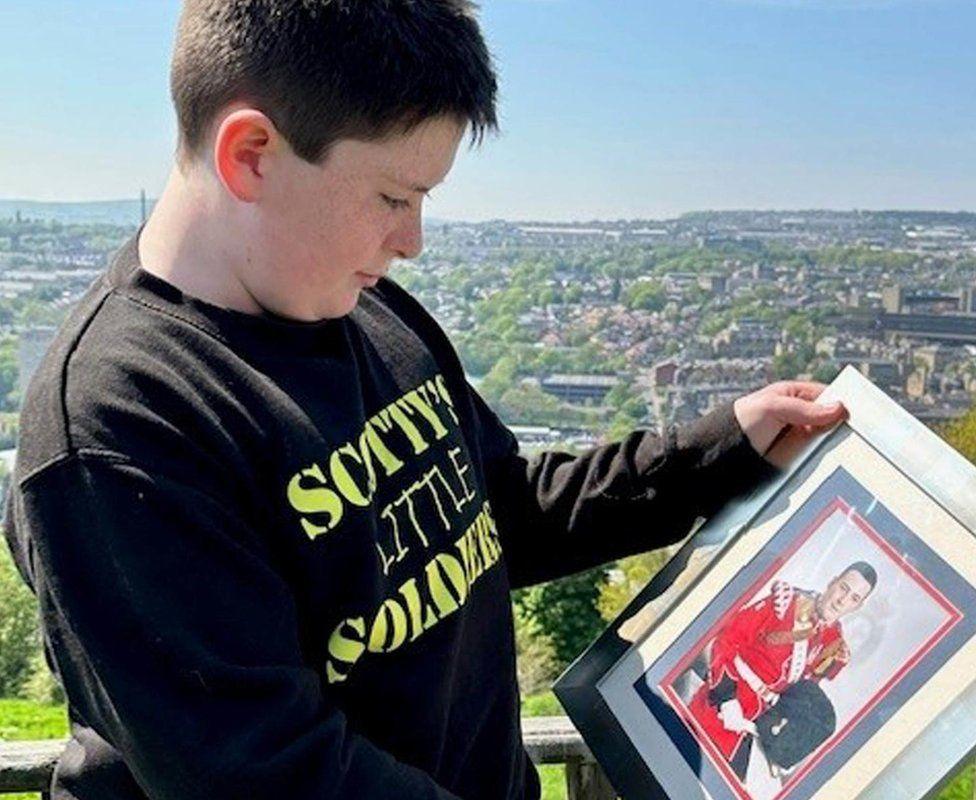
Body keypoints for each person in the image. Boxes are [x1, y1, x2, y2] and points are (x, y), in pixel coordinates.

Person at [2, 2, 846, 798]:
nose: (412, 240)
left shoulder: (359, 305)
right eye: (393, 197)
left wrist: (717, 452)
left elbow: (499, 510)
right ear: (251, 153)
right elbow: (270, 772)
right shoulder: (118, 429)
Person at [688, 562, 877, 779]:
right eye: (843, 588)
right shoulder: (786, 604)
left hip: (753, 732)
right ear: (833, 582)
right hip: (718, 709)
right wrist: (726, 700)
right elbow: (726, 640)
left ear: (858, 606)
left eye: (854, 598)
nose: (842, 601)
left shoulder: (834, 645)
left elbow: (802, 694)